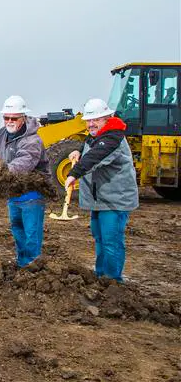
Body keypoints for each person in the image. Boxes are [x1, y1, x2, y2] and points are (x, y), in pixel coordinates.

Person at [65, 98, 138, 282]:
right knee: (100, 239)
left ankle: (113, 281)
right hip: (100, 199)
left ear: (107, 118)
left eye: (95, 120)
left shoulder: (113, 137)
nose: (91, 124)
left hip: (114, 200)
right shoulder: (99, 135)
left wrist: (74, 173)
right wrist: (79, 151)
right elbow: (92, 147)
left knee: (111, 241)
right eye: (88, 120)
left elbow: (97, 155)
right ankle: (101, 277)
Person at [0, 95, 50, 268]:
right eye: (6, 117)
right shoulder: (2, 133)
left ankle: (33, 266)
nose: (9, 121)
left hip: (31, 193)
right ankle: (23, 264)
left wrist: (2, 172)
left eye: (13, 118)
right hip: (13, 192)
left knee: (31, 233)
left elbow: (24, 162)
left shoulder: (32, 140)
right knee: (17, 230)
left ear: (23, 118)